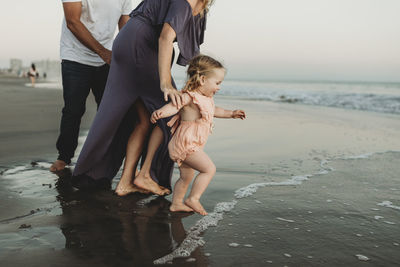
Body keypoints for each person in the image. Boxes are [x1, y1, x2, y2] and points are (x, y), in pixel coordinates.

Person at [71, 0, 212, 195]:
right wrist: (165, 83)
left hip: (132, 41)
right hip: (142, 44)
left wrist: (199, 86)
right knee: (170, 113)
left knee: (143, 118)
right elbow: (165, 37)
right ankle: (146, 175)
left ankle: (124, 182)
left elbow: (188, 50)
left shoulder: (202, 6)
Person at [150, 55, 246, 215]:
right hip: (185, 144)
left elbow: (215, 110)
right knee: (209, 169)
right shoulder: (189, 96)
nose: (219, 87)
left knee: (187, 176)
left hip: (191, 144)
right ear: (202, 80)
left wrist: (231, 113)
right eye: (217, 83)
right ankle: (193, 198)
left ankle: (176, 203)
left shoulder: (207, 99)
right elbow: (174, 106)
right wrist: (161, 112)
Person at [50, 0, 132, 172]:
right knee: (73, 110)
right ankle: (64, 157)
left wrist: (133, 56)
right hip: (75, 55)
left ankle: (106, 157)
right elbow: (72, 21)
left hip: (106, 57)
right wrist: (103, 52)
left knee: (110, 111)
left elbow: (126, 27)